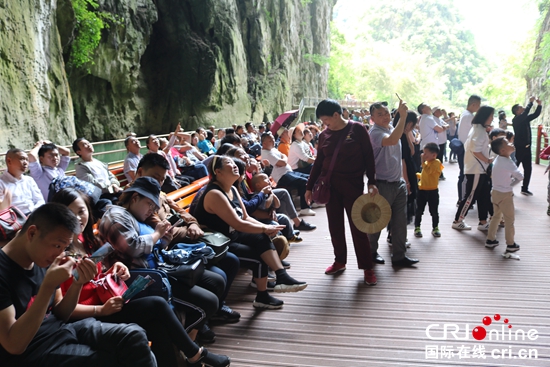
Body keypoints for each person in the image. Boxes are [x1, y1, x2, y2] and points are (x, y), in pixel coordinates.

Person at [51, 188, 231, 367]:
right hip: (89, 317)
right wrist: (100, 310)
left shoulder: (86, 240)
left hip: (108, 302)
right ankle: (195, 354)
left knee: (159, 328)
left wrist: (114, 268)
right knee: (157, 305)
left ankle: (192, 355)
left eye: (81, 211)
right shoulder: (58, 254)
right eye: (70, 213)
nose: (78, 218)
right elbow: (61, 310)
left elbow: (96, 278)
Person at [0, 203, 158, 367]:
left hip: (62, 330)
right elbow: (14, 345)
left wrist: (77, 284)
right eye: (57, 245)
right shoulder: (4, 271)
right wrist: (47, 287)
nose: (60, 253)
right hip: (33, 352)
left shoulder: (42, 258)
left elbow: (61, 313)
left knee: (134, 336)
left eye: (64, 247)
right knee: (110, 360)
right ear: (32, 233)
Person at [98, 177, 224, 340]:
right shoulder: (115, 216)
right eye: (150, 205)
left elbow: (156, 247)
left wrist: (165, 238)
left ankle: (191, 333)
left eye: (155, 207)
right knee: (209, 302)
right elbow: (133, 248)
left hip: (160, 269)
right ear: (135, 198)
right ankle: (184, 342)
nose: (152, 210)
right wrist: (157, 234)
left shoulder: (137, 216)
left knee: (216, 281)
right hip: (142, 280)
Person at [134, 153, 241, 325]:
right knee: (221, 270)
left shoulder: (160, 194)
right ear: (139, 172)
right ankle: (204, 319)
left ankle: (215, 310)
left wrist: (193, 223)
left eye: (162, 179)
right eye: (155, 177)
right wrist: (189, 228)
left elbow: (181, 211)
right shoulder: (138, 199)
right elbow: (164, 229)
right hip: (168, 252)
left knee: (229, 260)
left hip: (181, 244)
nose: (159, 183)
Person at [193, 155, 307, 309]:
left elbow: (245, 216)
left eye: (234, 162)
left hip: (231, 236)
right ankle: (266, 291)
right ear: (218, 172)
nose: (234, 165)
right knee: (258, 254)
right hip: (219, 243)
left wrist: (266, 228)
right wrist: (265, 227)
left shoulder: (232, 189)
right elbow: (238, 224)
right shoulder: (215, 194)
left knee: (261, 237)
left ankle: (278, 279)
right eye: (228, 163)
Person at [305, 99, 378, 284]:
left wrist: (371, 181)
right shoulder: (324, 135)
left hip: (353, 185)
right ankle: (339, 261)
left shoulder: (357, 129)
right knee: (335, 226)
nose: (324, 124)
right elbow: (318, 163)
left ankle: (367, 267)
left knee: (358, 227)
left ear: (337, 115)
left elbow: (369, 156)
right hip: (330, 187)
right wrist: (309, 187)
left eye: (326, 120)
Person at [367, 100, 419, 267]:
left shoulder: (390, 128)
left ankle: (399, 256)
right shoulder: (375, 132)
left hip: (398, 183)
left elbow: (403, 152)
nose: (385, 116)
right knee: (377, 222)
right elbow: (391, 140)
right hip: (382, 185)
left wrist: (405, 180)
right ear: (372, 118)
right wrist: (402, 117)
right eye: (380, 114)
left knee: (400, 222)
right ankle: (370, 253)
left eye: (387, 113)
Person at [452, 106, 495, 231]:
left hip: (478, 169)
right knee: (470, 196)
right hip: (476, 169)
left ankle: (483, 221)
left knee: (483, 195)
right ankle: (458, 220)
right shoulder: (479, 131)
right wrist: (487, 160)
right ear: (486, 117)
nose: (492, 118)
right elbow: (476, 150)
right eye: (491, 116)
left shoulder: (477, 128)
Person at [485, 137, 523, 253]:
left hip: (495, 192)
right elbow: (520, 177)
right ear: (502, 150)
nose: (511, 143)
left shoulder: (498, 159)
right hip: (505, 194)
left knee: (496, 217)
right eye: (507, 143)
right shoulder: (508, 162)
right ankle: (510, 243)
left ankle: (490, 240)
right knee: (509, 219)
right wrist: (511, 185)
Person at [261, 133, 314, 216]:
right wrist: (284, 158)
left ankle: (311, 201)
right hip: (282, 177)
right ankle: (305, 208)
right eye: (270, 140)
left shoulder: (272, 149)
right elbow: (283, 162)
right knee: (304, 182)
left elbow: (284, 158)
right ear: (264, 143)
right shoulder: (267, 154)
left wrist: (284, 158)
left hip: (289, 173)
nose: (273, 141)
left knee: (310, 178)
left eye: (273, 139)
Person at [512, 96, 542, 196]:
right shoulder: (516, 120)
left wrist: (539, 105)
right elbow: (525, 113)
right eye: (521, 107)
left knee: (528, 169)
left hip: (527, 147)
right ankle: (507, 187)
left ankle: (525, 188)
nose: (523, 108)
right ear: (517, 111)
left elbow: (535, 114)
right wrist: (530, 103)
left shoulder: (524, 119)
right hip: (519, 148)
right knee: (514, 168)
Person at [0, 149, 44, 215]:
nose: (26, 163)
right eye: (22, 159)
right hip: (14, 220)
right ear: (9, 161)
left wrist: (33, 214)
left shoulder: (29, 180)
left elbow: (40, 200)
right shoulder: (1, 183)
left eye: (27, 160)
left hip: (33, 215)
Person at [414, 143, 443, 238]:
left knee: (434, 211)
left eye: (426, 153)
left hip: (432, 191)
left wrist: (422, 162)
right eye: (423, 152)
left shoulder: (436, 163)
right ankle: (417, 227)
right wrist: (416, 175)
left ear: (434, 155)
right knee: (419, 210)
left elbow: (429, 171)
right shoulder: (426, 163)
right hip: (422, 190)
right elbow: (424, 175)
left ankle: (435, 228)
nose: (423, 154)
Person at [456, 95, 482, 203]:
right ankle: (462, 199)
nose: (478, 108)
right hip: (466, 149)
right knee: (465, 175)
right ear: (473, 104)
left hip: (465, 148)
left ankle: (465, 198)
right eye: (478, 105)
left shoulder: (465, 114)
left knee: (466, 174)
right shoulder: (469, 116)